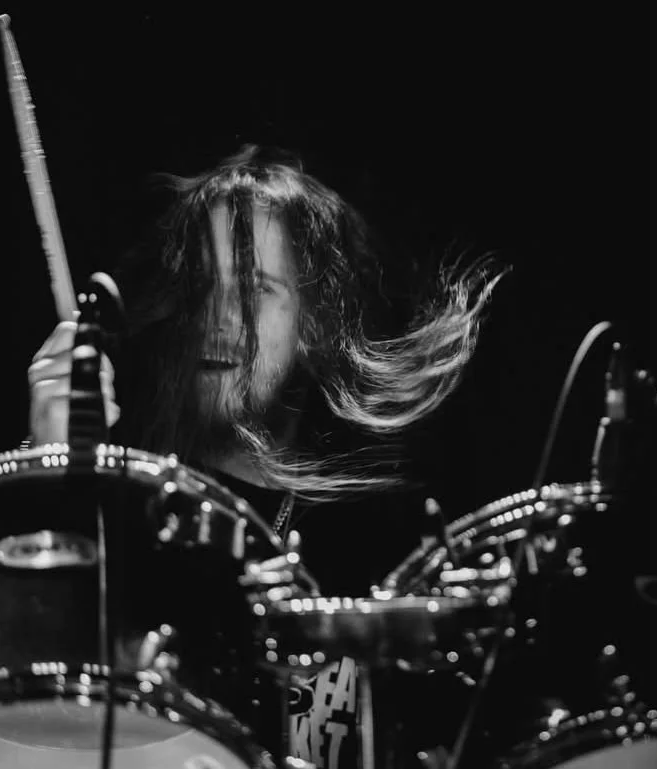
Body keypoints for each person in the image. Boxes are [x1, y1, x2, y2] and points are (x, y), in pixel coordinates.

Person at [27, 144, 504, 769]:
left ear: (314, 323)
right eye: (201, 285)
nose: (218, 316)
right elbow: (41, 716)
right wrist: (53, 471)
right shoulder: (126, 495)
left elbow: (324, 748)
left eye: (254, 289)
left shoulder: (358, 542)